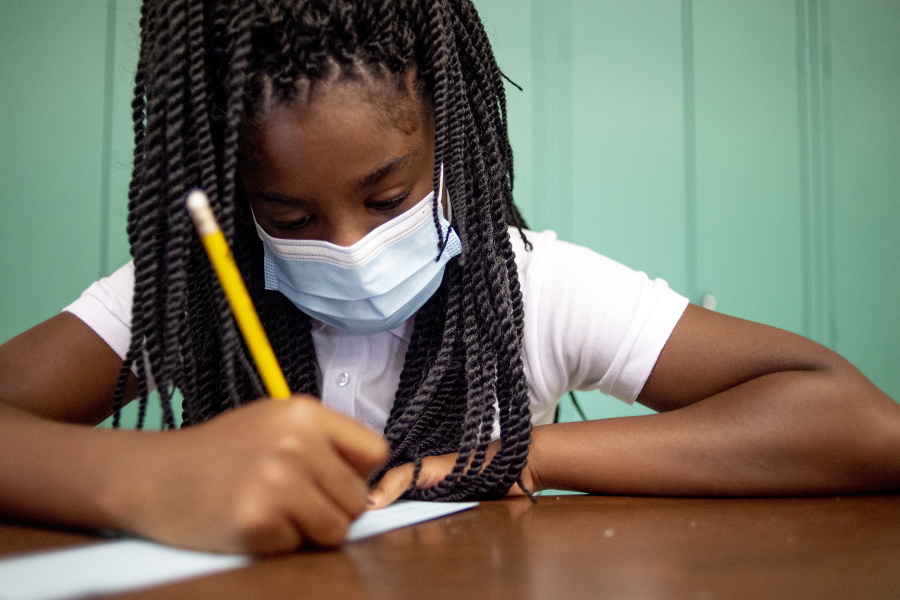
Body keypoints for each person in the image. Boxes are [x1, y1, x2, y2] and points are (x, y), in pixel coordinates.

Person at [0, 0, 898, 555]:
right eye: (290, 218)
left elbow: (859, 426)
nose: (349, 247)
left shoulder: (532, 288)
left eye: (389, 197)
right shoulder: (191, 294)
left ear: (452, 143)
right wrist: (140, 477)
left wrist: (519, 455)